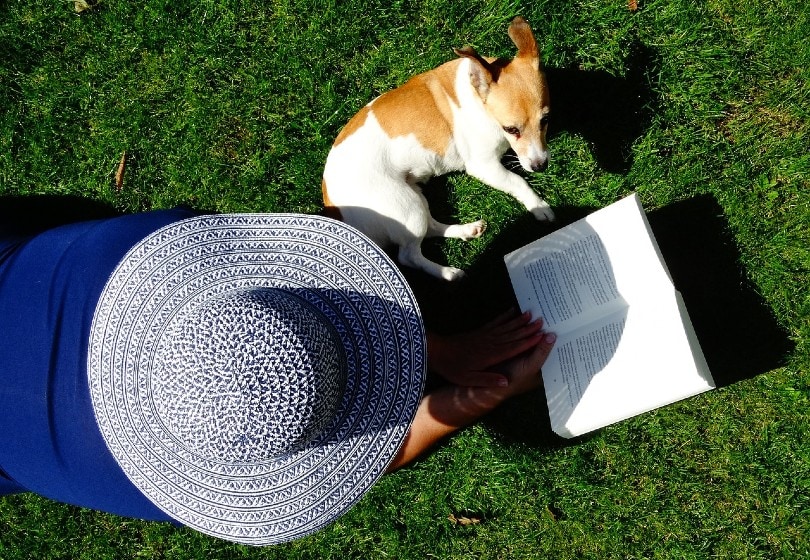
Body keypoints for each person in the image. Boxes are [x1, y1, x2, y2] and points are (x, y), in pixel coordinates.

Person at [0, 207, 555, 545]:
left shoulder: (146, 243)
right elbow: (367, 456)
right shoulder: (150, 245)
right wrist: (476, 395)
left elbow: (359, 452)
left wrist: (442, 355)